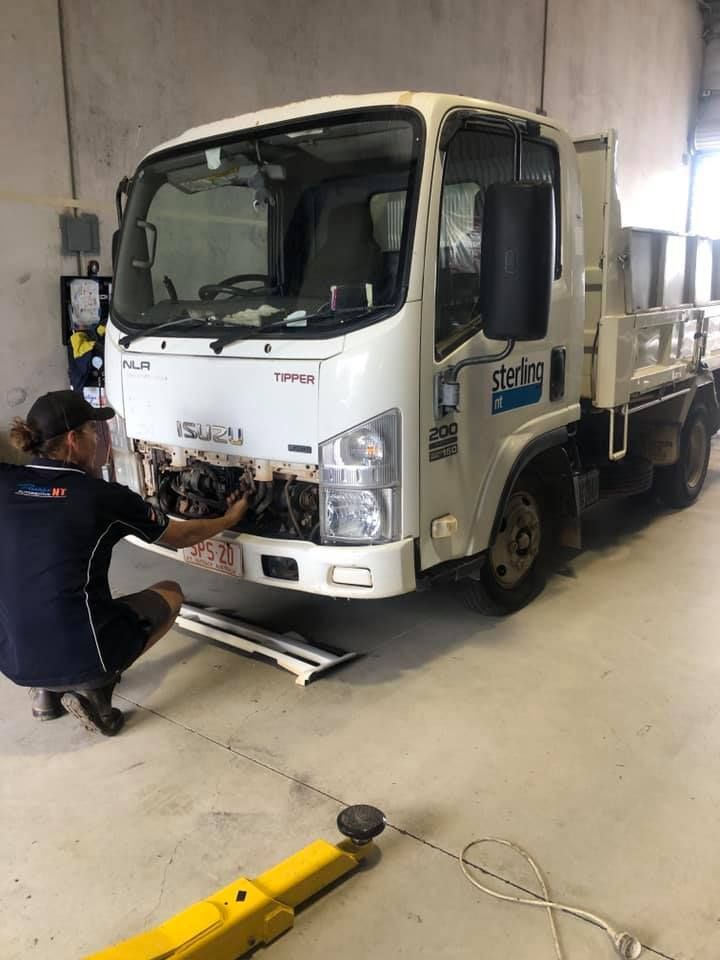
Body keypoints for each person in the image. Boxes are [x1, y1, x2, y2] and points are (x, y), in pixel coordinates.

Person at [0, 390, 249, 736]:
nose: (98, 437)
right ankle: (97, 692)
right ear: (73, 440)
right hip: (81, 654)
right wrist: (228, 519)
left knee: (43, 592)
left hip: (12, 657)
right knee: (171, 593)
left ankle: (45, 695)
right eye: (92, 431)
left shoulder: (6, 481)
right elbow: (179, 536)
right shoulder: (100, 497)